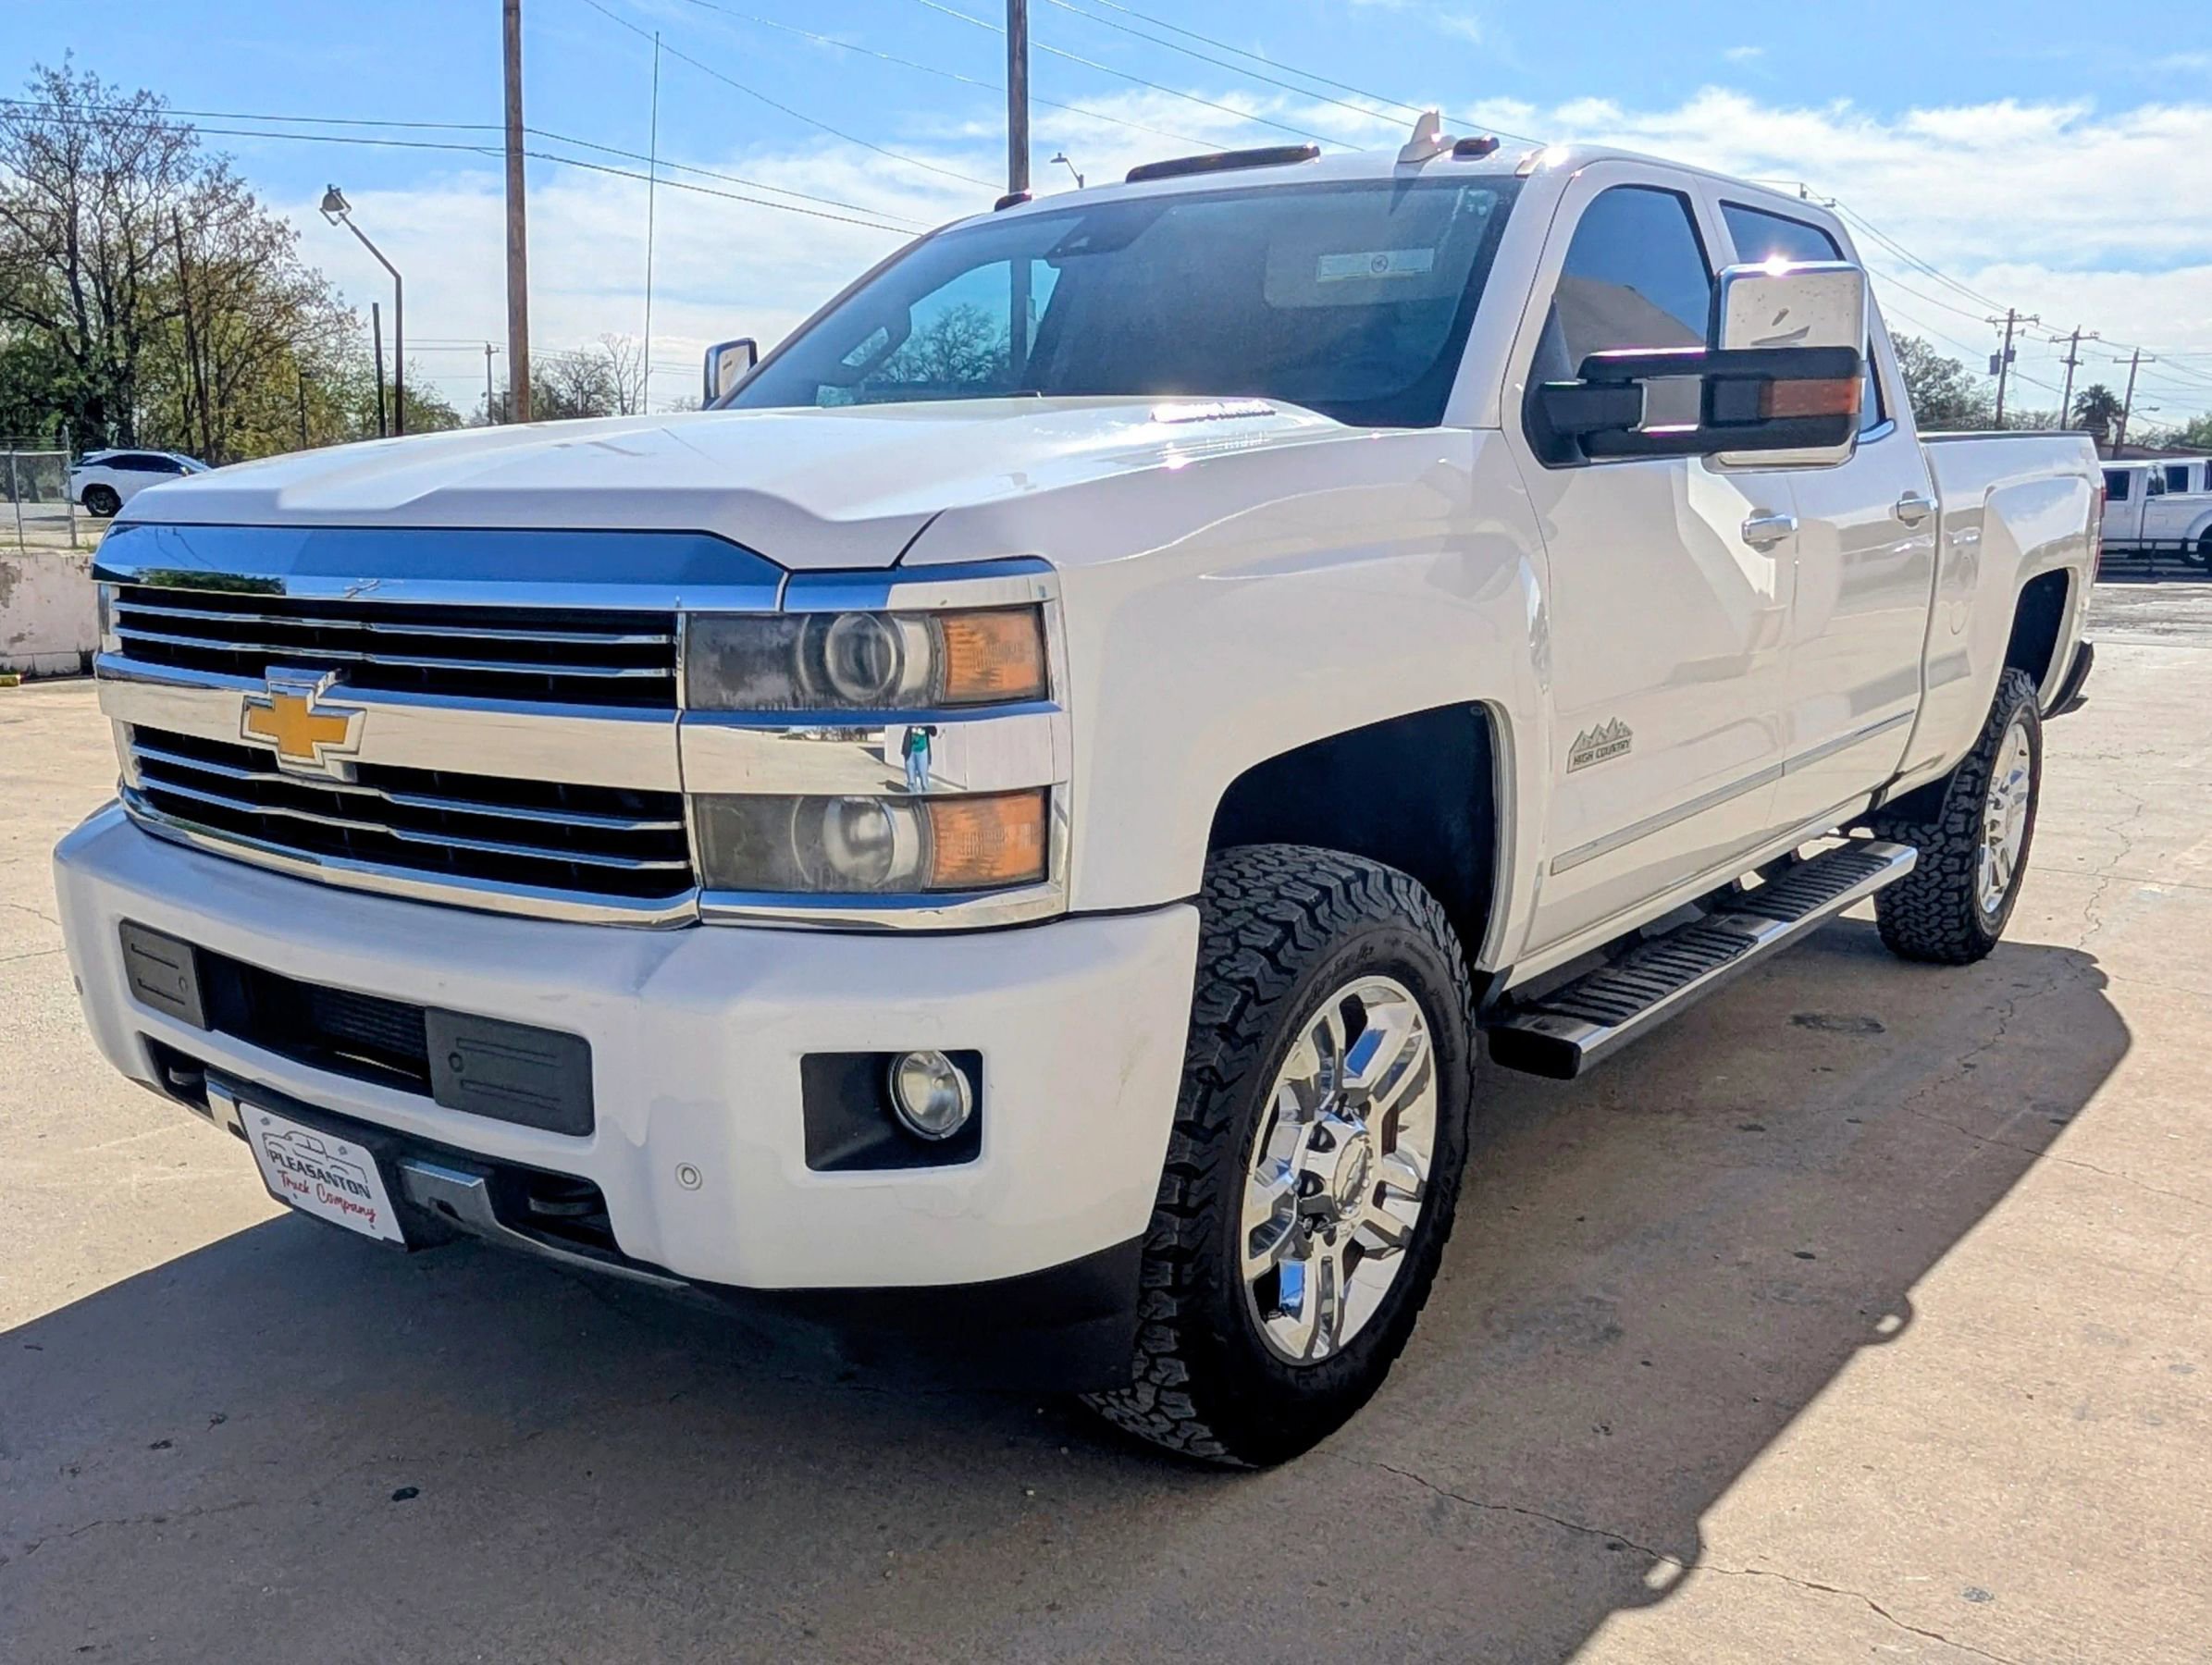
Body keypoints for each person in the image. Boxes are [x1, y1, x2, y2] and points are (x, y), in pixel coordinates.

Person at [902, 724, 938, 793]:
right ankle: (913, 800)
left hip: (923, 750)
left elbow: (934, 732)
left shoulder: (926, 720)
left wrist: (925, 726)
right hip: (910, 751)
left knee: (923, 779)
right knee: (911, 781)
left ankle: (925, 799)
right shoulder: (910, 720)